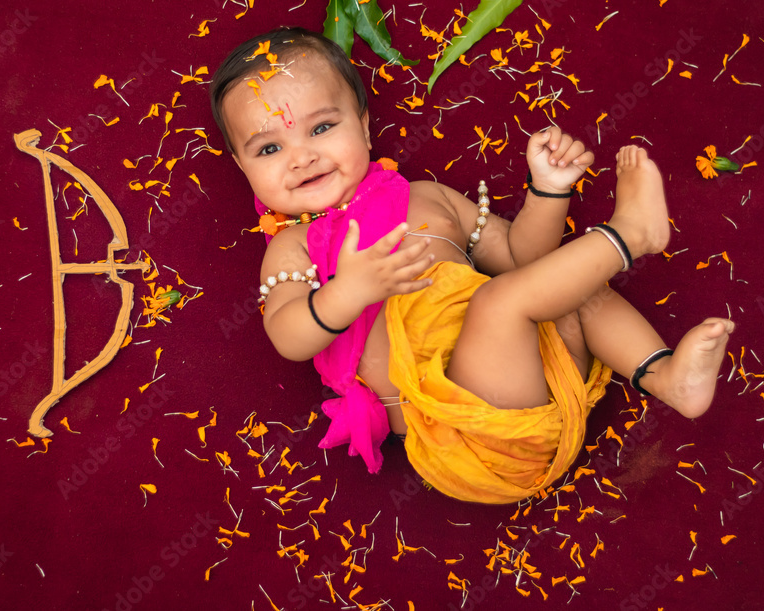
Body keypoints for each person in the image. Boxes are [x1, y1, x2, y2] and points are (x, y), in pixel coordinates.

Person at [209, 27, 735, 504]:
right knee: (499, 300)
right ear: (241, 166)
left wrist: (547, 191)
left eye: (322, 128)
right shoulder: (295, 246)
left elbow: (520, 258)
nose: (301, 156)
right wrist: (348, 291)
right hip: (462, 439)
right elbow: (288, 336)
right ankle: (629, 236)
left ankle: (665, 375)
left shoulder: (427, 197)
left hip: (545, 382)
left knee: (566, 280)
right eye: (270, 147)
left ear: (365, 127)